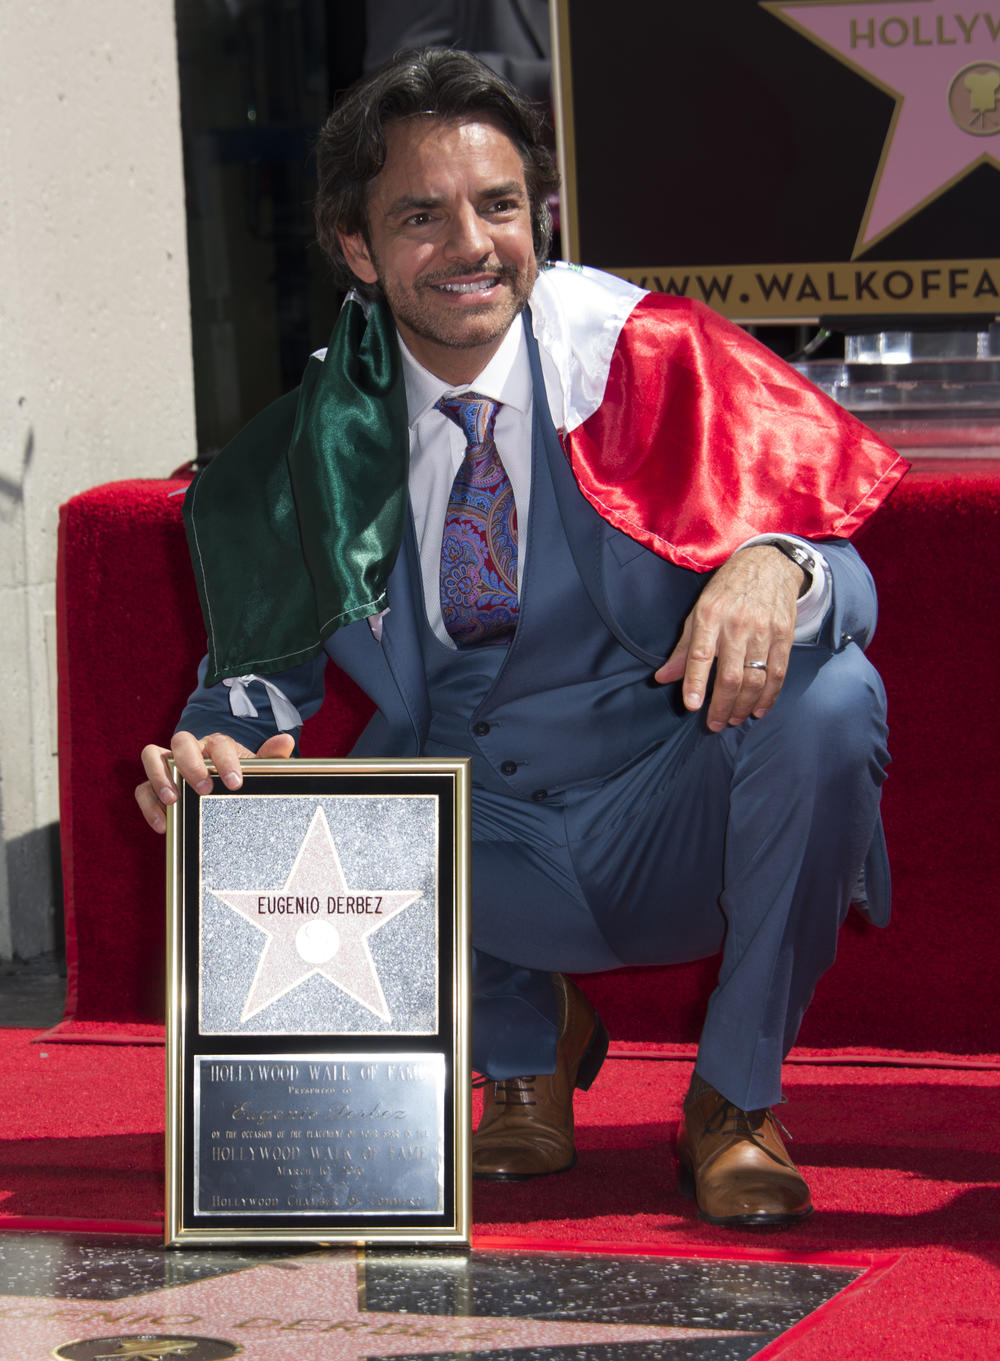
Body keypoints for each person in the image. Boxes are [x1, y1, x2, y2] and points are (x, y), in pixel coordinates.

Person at [136, 47, 907, 1228]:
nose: (471, 245)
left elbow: (844, 573)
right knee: (339, 807)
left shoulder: (655, 363)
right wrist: (208, 752)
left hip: (672, 817)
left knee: (829, 696)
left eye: (498, 206)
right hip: (479, 846)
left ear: (536, 215)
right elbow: (254, 678)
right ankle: (520, 1048)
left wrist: (774, 560)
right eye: (420, 216)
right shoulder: (305, 450)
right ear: (357, 249)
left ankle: (737, 1098)